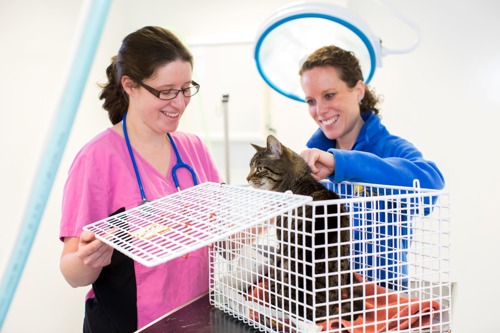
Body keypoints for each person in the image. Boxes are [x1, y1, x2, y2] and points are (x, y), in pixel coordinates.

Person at [59, 26, 222, 332]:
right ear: (130, 85)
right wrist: (90, 259)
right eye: (166, 91)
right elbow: (72, 273)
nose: (180, 102)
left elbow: (221, 240)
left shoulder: (194, 149)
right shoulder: (96, 159)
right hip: (131, 324)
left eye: (186, 88)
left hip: (197, 319)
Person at [297, 45, 445, 287]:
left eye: (329, 95)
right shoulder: (311, 159)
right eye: (311, 100)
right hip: (328, 294)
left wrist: (341, 163)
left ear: (358, 90)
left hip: (383, 298)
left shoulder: (390, 148)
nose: (320, 110)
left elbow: (430, 185)